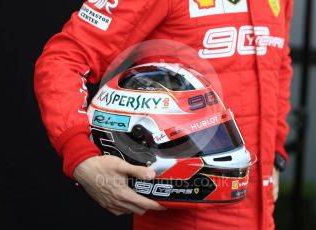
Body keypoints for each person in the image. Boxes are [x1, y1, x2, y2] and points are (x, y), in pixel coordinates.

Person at [34, 0, 293, 229]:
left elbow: (279, 66)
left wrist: (276, 151)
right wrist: (80, 155)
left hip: (261, 208)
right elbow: (63, 59)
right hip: (182, 210)